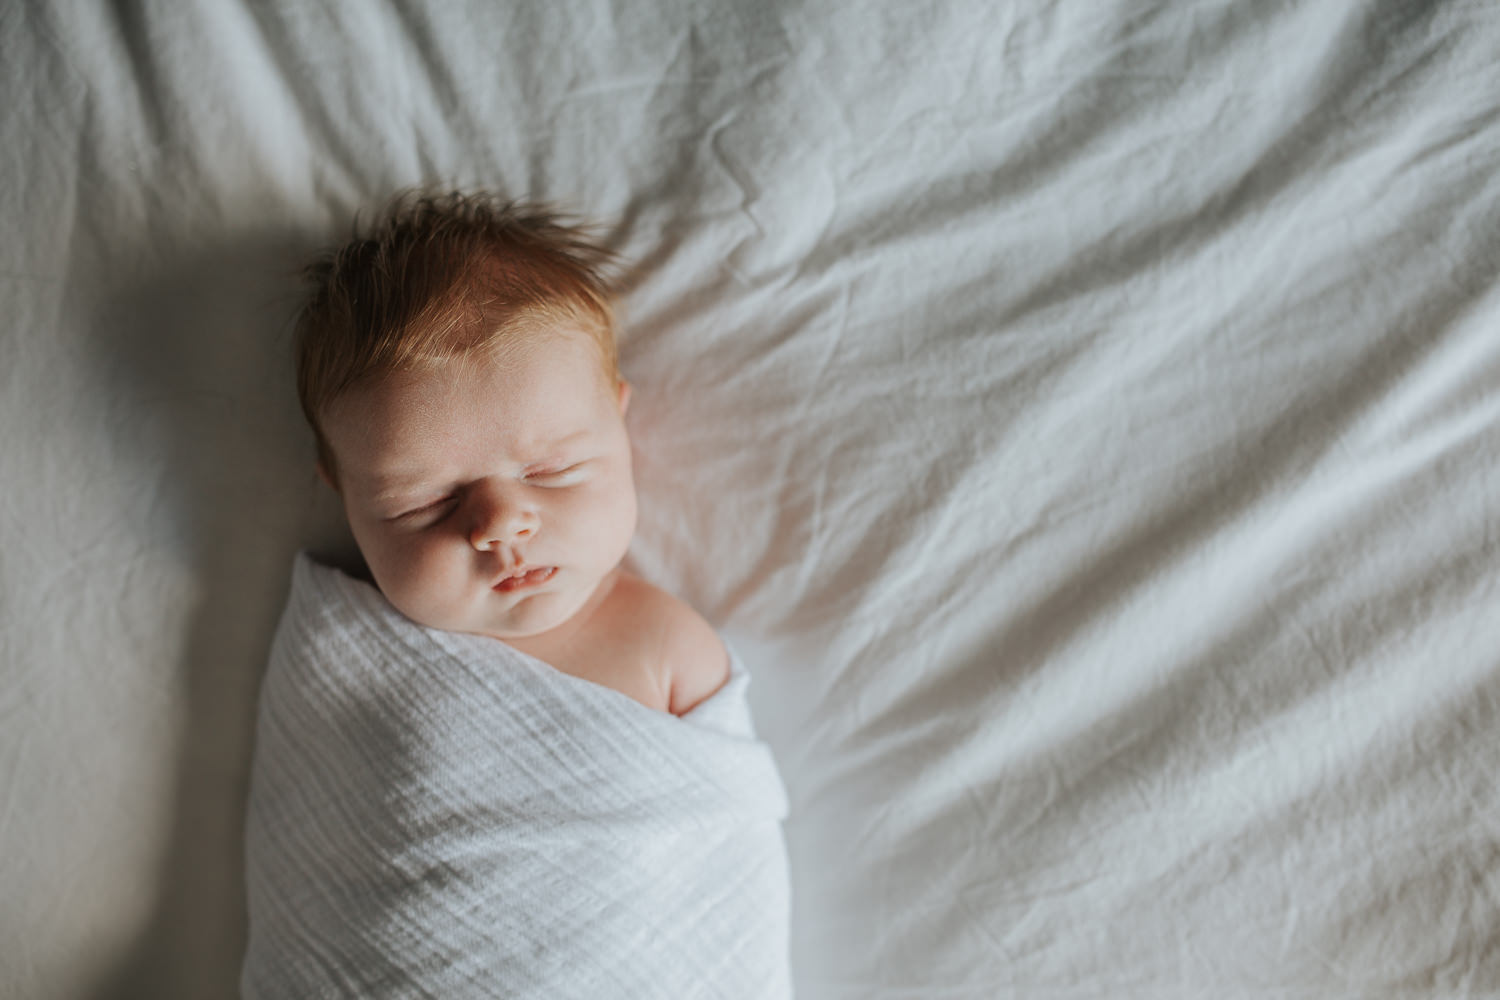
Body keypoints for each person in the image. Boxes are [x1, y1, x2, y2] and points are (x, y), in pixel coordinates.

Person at [294, 190, 729, 715]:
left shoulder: (668, 647)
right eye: (427, 502)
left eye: (551, 470)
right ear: (346, 495)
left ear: (619, 419)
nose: (499, 524)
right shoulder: (344, 649)